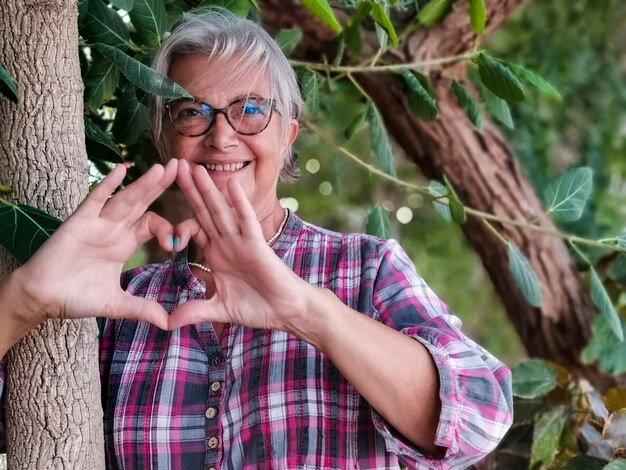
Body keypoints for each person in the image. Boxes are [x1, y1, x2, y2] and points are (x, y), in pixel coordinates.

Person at [0, 8, 513, 470]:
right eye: (191, 111)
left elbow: (479, 421)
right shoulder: (118, 300)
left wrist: (306, 312)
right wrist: (22, 301)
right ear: (163, 136)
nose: (222, 137)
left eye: (250, 109)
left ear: (287, 134)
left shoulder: (365, 267)